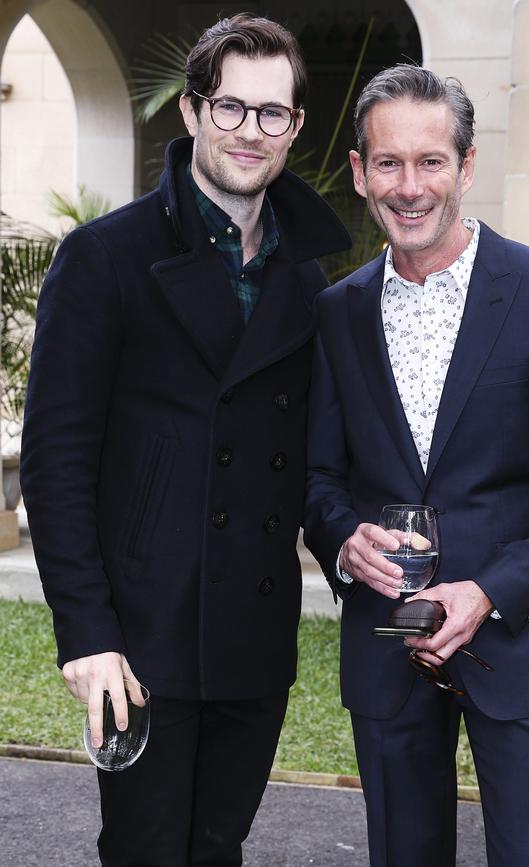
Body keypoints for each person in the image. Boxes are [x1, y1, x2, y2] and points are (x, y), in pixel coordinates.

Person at [20, 13, 349, 867]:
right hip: (138, 639)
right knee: (144, 850)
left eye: (271, 113)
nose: (250, 131)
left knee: (217, 849)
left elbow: (313, 455)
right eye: (230, 107)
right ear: (194, 112)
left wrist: (353, 542)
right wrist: (85, 633)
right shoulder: (104, 258)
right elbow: (57, 463)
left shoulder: (304, 273)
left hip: (253, 634)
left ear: (296, 127)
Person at [303, 64, 529, 867]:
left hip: (521, 642)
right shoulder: (337, 310)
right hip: (387, 644)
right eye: (388, 163)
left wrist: (491, 589)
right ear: (359, 172)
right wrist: (344, 539)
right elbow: (317, 479)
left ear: (468, 165)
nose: (409, 185)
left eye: (430, 161)